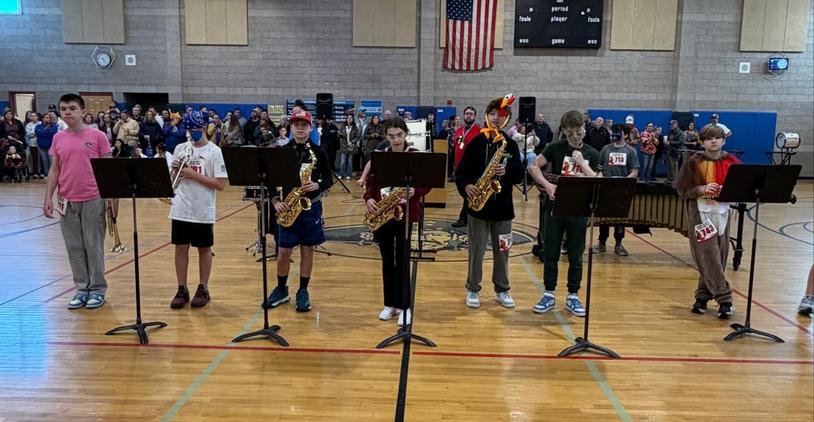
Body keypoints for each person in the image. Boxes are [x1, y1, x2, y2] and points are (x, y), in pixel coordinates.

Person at [42, 93, 112, 309]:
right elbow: (54, 170)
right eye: (64, 109)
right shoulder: (58, 138)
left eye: (72, 108)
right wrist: (48, 197)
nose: (68, 112)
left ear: (83, 111)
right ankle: (82, 288)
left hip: (92, 198)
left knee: (93, 245)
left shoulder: (98, 136)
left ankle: (97, 289)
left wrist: (110, 200)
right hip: (66, 199)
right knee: (74, 246)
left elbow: (109, 168)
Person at [527, 110, 601, 317]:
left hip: (579, 211)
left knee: (576, 255)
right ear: (564, 132)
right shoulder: (555, 148)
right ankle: (549, 293)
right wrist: (547, 186)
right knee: (551, 253)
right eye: (570, 134)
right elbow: (533, 167)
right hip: (555, 209)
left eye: (579, 132)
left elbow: (596, 180)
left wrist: (582, 164)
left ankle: (573, 296)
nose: (575, 137)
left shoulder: (592, 153)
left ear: (584, 129)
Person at [455, 95, 523, 310]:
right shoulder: (476, 142)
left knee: (503, 250)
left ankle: (502, 289)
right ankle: (473, 288)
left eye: (501, 115)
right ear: (486, 115)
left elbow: (519, 174)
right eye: (493, 114)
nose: (496, 118)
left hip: (503, 210)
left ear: (507, 119)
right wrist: (466, 186)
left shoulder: (510, 144)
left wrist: (508, 170)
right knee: (476, 251)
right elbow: (461, 172)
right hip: (478, 208)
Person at [264, 109, 332, 312]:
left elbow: (329, 178)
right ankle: (282, 289)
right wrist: (275, 201)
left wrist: (318, 185)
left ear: (310, 128)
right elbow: (270, 180)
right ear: (291, 128)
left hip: (311, 207)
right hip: (288, 206)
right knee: (283, 251)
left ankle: (303, 290)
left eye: (304, 125)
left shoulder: (319, 151)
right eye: (296, 125)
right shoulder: (283, 151)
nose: (300, 129)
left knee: (307, 249)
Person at [363, 117, 428, 326]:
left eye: (399, 135)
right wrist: (369, 198)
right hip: (383, 214)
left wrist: (414, 192)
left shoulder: (414, 156)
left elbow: (426, 184)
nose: (396, 140)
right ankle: (389, 304)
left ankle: (405, 306)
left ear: (405, 134)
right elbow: (371, 184)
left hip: (404, 214)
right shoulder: (381, 157)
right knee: (386, 261)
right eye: (391, 136)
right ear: (386, 136)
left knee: (402, 260)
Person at [675, 124, 740, 319]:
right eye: (709, 138)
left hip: (722, 213)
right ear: (702, 142)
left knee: (719, 255)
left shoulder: (732, 162)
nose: (713, 141)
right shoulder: (694, 162)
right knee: (707, 254)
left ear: (723, 140)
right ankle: (725, 298)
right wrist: (701, 190)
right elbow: (682, 189)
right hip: (700, 213)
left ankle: (702, 297)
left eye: (717, 137)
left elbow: (742, 186)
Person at [168, 111, 228, 309]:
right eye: (189, 130)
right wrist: (175, 170)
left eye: (195, 129)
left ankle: (203, 287)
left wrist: (192, 174)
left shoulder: (214, 151)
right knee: (180, 248)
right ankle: (181, 287)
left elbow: (220, 184)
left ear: (203, 128)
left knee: (204, 249)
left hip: (202, 209)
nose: (192, 133)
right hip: (181, 207)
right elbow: (172, 179)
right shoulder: (180, 148)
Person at [592, 124, 639, 256]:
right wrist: (600, 177)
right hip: (606, 188)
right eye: (614, 131)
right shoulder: (606, 149)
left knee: (619, 219)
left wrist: (624, 182)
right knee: (604, 218)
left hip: (621, 189)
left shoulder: (630, 151)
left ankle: (619, 244)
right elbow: (599, 168)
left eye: (618, 132)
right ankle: (601, 243)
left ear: (625, 134)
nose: (615, 134)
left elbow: (634, 171)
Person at [451, 106, 481, 228]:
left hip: (471, 169)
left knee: (467, 193)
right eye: (467, 113)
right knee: (464, 193)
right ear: (464, 116)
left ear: (474, 116)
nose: (469, 116)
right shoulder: (458, 131)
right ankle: (467, 217)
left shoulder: (479, 131)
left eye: (471, 114)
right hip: (459, 168)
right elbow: (455, 149)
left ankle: (465, 218)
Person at [337, 114, 359, 180]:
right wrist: (339, 134)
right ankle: (341, 174)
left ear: (352, 119)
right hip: (343, 146)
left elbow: (358, 137)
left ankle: (348, 174)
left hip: (351, 146)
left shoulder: (355, 127)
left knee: (350, 161)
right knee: (343, 161)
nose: (349, 119)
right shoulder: (343, 126)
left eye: (351, 118)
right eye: (348, 118)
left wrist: (352, 142)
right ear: (346, 119)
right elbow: (338, 135)